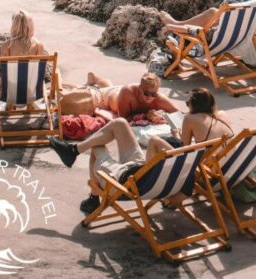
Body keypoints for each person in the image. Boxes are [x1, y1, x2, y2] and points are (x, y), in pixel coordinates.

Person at [49, 86, 232, 214]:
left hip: (137, 179)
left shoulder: (189, 131)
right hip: (147, 168)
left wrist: (174, 134)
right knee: (120, 123)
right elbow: (186, 154)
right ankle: (73, 151)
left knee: (97, 145)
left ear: (194, 105)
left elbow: (183, 150)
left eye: (188, 104)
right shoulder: (222, 117)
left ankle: (94, 197)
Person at [60, 71, 177, 119]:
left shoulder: (159, 98)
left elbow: (179, 114)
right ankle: (60, 81)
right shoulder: (128, 93)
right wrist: (146, 116)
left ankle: (95, 78)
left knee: (109, 88)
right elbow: (123, 119)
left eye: (153, 94)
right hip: (104, 99)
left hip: (115, 94)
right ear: (139, 89)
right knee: (76, 98)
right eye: (146, 93)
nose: (150, 97)